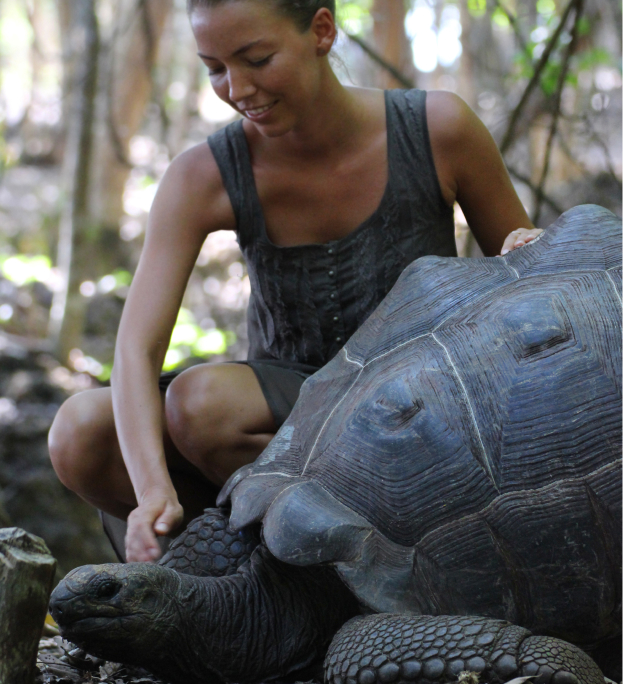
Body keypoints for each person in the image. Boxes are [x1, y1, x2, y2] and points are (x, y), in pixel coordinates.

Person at [48, 0, 542, 564]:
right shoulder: (204, 175)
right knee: (80, 431)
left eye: (257, 59)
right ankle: (240, 569)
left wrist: (527, 250)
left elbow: (531, 279)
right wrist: (152, 489)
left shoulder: (437, 130)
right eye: (215, 68)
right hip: (282, 421)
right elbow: (135, 350)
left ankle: (363, 557)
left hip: (416, 410)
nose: (237, 89)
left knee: (202, 405)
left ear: (322, 31)